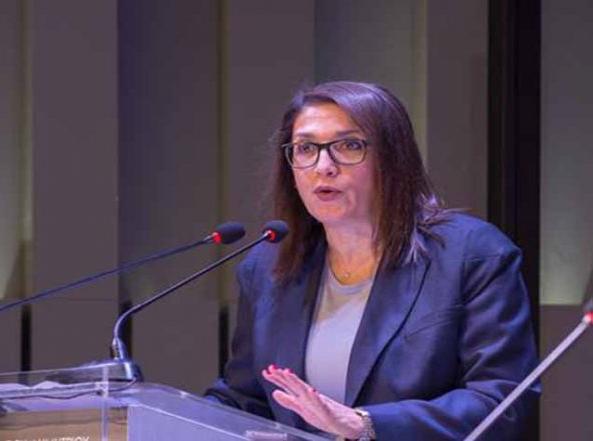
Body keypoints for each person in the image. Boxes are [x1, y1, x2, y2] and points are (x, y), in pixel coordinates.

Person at [205, 81, 539, 440]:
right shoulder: (267, 266)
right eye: (305, 148)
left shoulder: (471, 254)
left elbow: (501, 399)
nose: (323, 166)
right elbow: (245, 399)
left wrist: (365, 424)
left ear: (393, 159)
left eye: (349, 145)